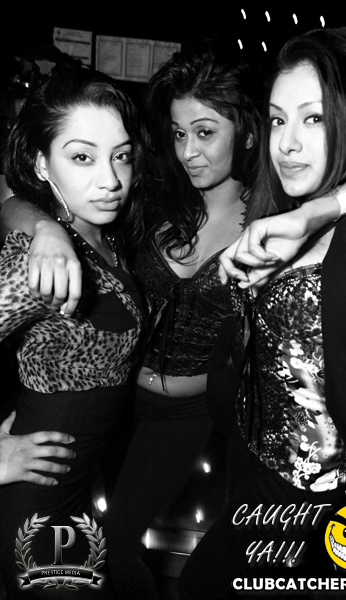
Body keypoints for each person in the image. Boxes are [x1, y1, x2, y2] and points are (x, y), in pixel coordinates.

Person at [2, 37, 346, 598]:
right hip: (119, 413)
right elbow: (30, 194)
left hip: (198, 424)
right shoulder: (148, 199)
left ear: (245, 133)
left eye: (206, 132)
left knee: (121, 549)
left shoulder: (277, 215)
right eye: (178, 132)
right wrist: (41, 226)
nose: (188, 150)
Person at [178, 27, 346, 599]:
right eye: (278, 120)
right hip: (255, 478)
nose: (288, 144)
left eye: (314, 118)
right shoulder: (279, 215)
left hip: (336, 509)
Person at [0, 65, 156, 599]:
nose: (110, 179)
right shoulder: (38, 263)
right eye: (83, 157)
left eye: (121, 155)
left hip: (75, 495)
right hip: (38, 510)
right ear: (42, 164)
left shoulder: (93, 234)